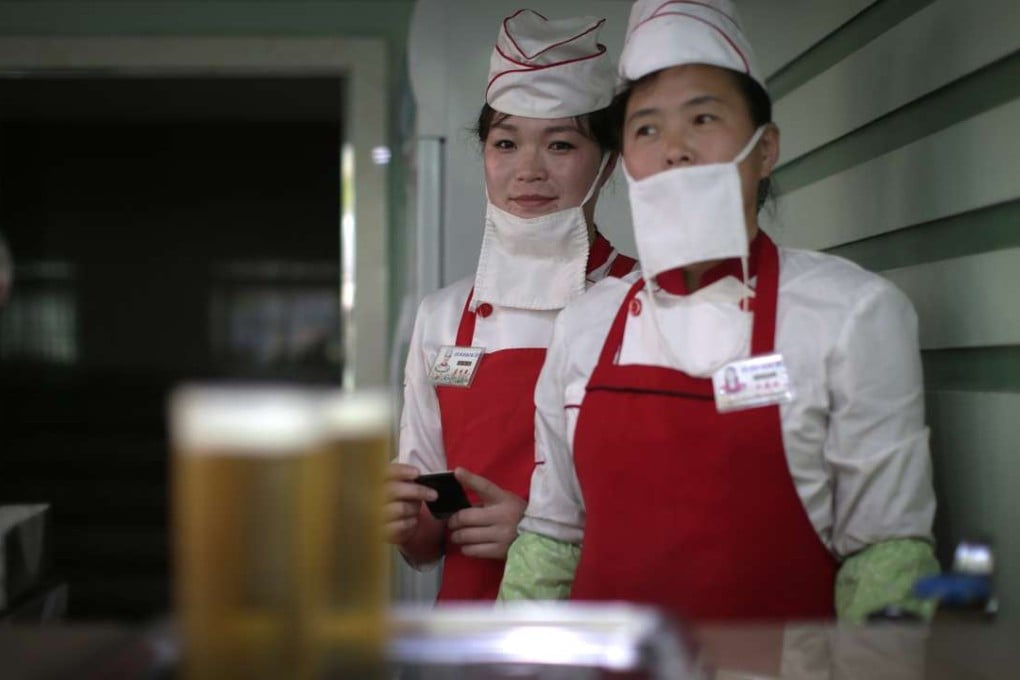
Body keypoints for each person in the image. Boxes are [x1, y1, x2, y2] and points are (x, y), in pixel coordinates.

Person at [499, 0, 938, 622]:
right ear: (625, 161)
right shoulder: (586, 324)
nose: (674, 149)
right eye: (647, 128)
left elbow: (886, 555)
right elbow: (551, 539)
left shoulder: (853, 314)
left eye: (703, 118)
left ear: (765, 150)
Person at [386, 8, 637, 601]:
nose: (528, 170)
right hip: (471, 631)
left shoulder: (644, 304)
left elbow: (678, 515)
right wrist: (403, 522)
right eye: (506, 143)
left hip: (597, 624)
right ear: (485, 156)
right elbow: (426, 538)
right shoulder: (442, 317)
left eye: (560, 144)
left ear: (607, 163)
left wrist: (547, 534)